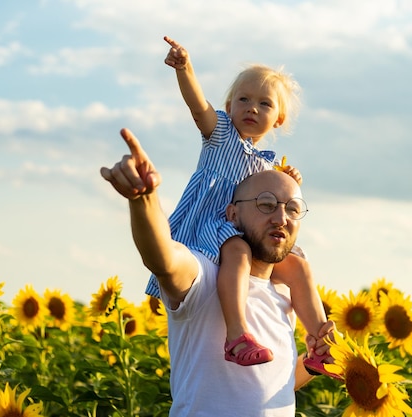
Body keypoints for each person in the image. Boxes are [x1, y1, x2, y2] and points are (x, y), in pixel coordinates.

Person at [100, 128, 338, 416]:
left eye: (293, 208)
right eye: (266, 204)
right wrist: (144, 199)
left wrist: (317, 359)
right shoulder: (207, 277)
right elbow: (162, 257)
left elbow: (274, 385)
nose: (281, 218)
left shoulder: (288, 293)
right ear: (232, 214)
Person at [142, 36, 333, 373]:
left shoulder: (266, 166)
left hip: (243, 234)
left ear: (278, 119)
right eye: (243, 99)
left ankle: (320, 342)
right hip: (209, 229)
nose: (252, 108)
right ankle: (237, 335)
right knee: (238, 252)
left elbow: (274, 205)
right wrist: (185, 68)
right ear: (229, 107)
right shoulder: (220, 136)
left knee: (299, 266)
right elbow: (197, 106)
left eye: (264, 104)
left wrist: (290, 183)